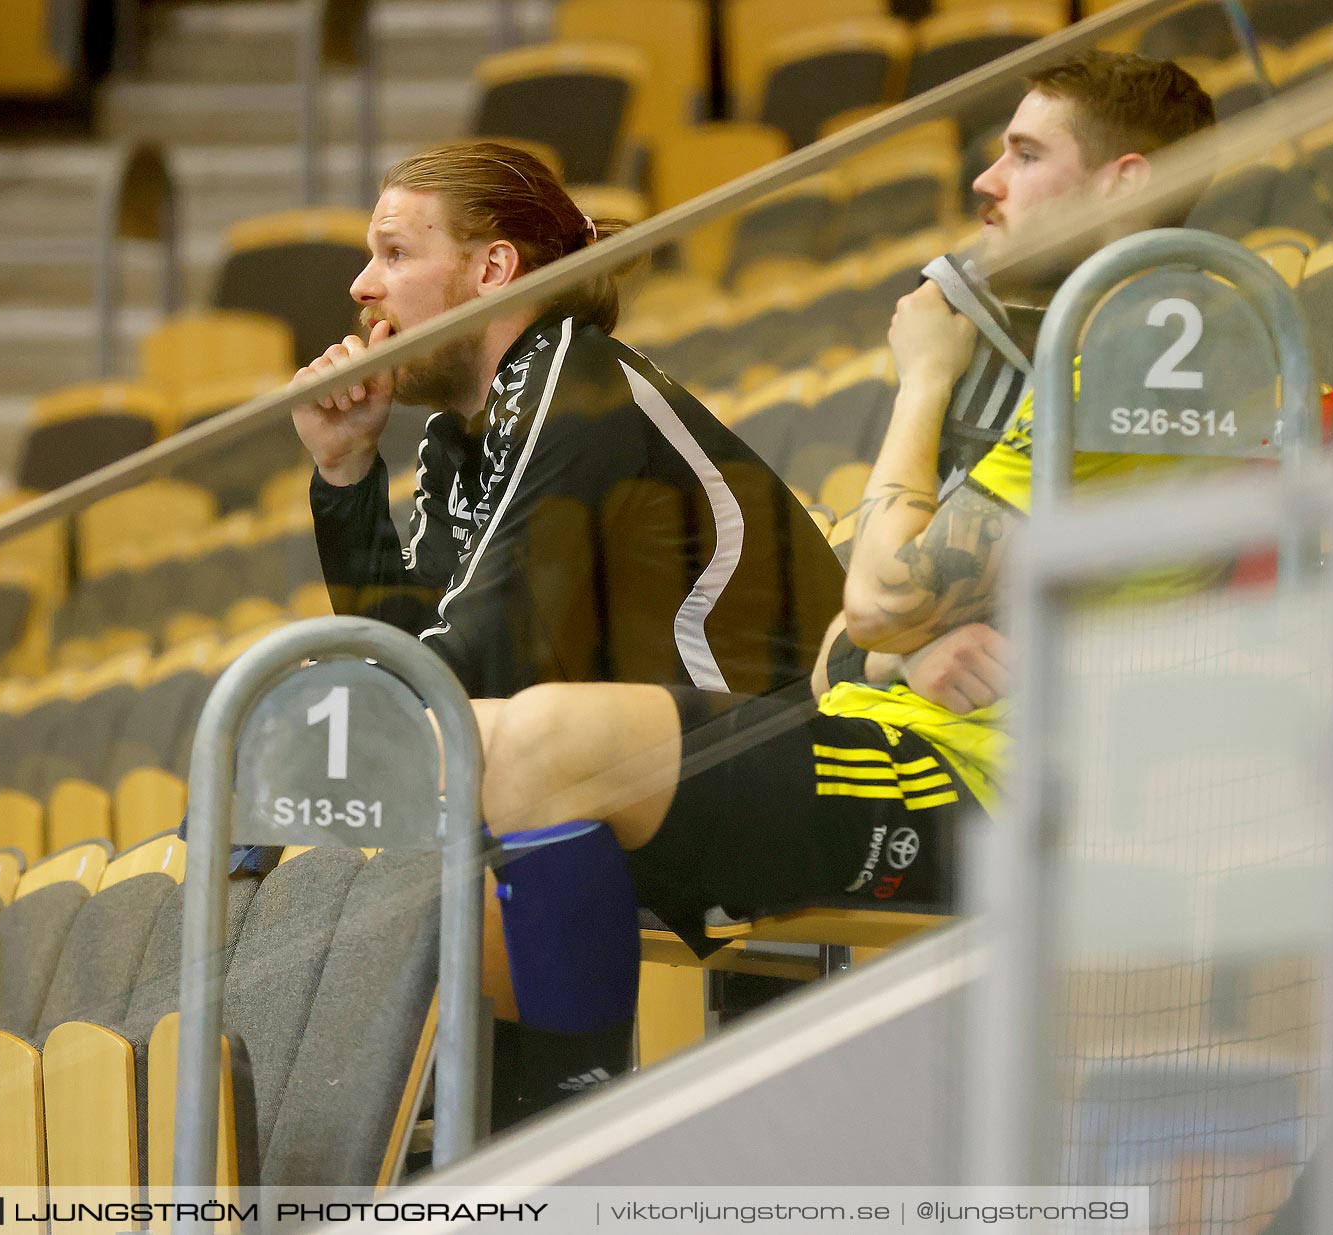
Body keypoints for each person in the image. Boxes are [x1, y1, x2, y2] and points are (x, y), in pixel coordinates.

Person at [467, 50, 1220, 1121]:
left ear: (1126, 181)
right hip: (880, 737)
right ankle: (544, 1133)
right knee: (484, 745)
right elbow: (851, 634)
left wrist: (921, 382)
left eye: (1023, 151)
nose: (984, 182)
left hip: (983, 794)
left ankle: (558, 1148)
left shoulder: (1145, 354)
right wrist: (899, 643)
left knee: (542, 747)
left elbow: (878, 595)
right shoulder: (1065, 356)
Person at [293, 142, 846, 702]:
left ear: (492, 269)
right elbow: (411, 636)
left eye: (396, 254)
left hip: (780, 736)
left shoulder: (575, 393)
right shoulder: (461, 430)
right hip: (666, 756)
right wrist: (346, 469)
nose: (361, 286)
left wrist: (354, 684)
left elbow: (479, 670)